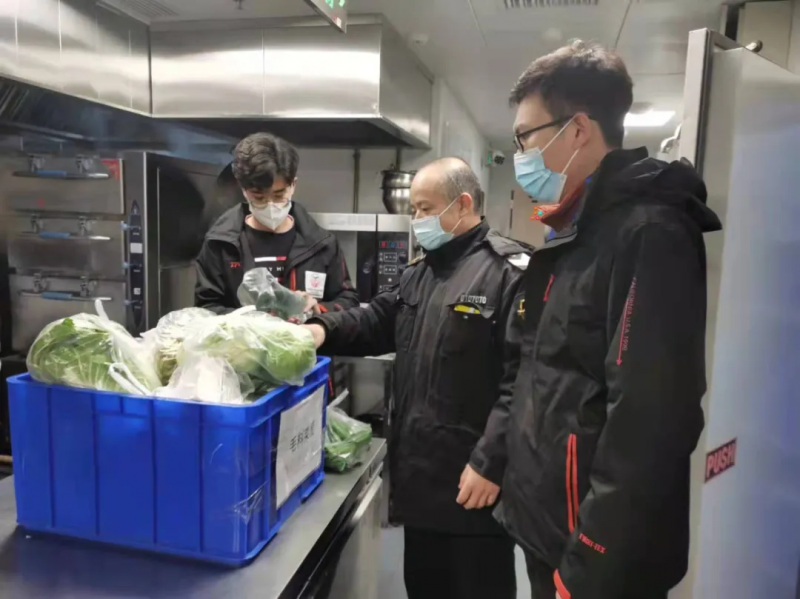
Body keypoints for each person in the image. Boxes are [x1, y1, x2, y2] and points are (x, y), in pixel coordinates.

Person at [496, 41, 722, 599]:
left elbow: (652, 421)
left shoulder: (648, 233)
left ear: (577, 130)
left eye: (525, 137)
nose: (520, 155)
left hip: (597, 563)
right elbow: (548, 378)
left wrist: (589, 566)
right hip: (551, 533)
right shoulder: (574, 234)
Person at [303, 158, 529, 599]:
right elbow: (373, 320)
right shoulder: (420, 274)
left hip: (474, 486)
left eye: (426, 208)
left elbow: (523, 381)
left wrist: (491, 462)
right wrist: (318, 330)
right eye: (414, 210)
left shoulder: (508, 273)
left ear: (463, 205)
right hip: (421, 482)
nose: (417, 220)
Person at [194, 132, 359, 314]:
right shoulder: (220, 244)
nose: (270, 205)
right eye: (259, 196)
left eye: (279, 195)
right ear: (244, 190)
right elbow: (206, 308)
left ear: (293, 185)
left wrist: (317, 310)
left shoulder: (321, 244)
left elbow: (348, 301)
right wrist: (247, 321)